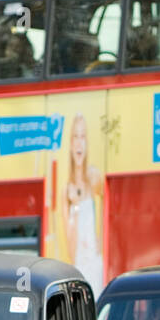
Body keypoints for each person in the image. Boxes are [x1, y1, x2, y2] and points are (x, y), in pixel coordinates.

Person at [57, 112, 105, 297]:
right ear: (70, 144)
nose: (79, 142)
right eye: (75, 137)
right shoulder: (66, 191)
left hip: (95, 262)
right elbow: (70, 249)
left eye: (83, 136)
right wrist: (75, 207)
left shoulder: (94, 178)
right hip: (80, 267)